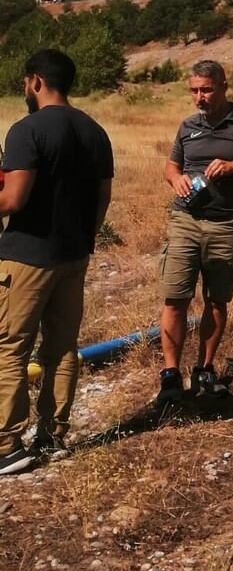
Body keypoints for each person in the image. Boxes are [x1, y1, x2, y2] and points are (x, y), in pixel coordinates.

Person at [0, 49, 113, 475]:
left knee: (9, 347)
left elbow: (13, 199)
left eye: (25, 82)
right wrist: (84, 239)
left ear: (35, 81)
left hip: (27, 256)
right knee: (63, 347)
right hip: (73, 256)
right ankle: (52, 435)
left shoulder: (26, 130)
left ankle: (6, 445)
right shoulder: (95, 131)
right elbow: (103, 198)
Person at [158, 60, 233, 404]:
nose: (199, 97)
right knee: (175, 297)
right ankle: (170, 376)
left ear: (224, 86)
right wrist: (175, 178)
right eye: (194, 90)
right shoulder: (187, 126)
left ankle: (204, 371)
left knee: (216, 299)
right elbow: (171, 165)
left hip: (225, 224)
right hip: (185, 221)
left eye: (206, 90)